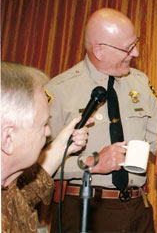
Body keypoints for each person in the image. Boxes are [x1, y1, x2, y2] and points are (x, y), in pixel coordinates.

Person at [45, 8, 157, 232]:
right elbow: (36, 165)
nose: (136, 53)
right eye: (128, 48)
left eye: (135, 43)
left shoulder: (141, 83)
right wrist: (90, 163)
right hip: (86, 210)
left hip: (138, 210)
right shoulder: (59, 90)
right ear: (99, 50)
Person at [1, 62, 92, 233]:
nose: (49, 132)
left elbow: (25, 195)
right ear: (8, 138)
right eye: (43, 125)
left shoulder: (8, 187)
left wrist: (63, 145)